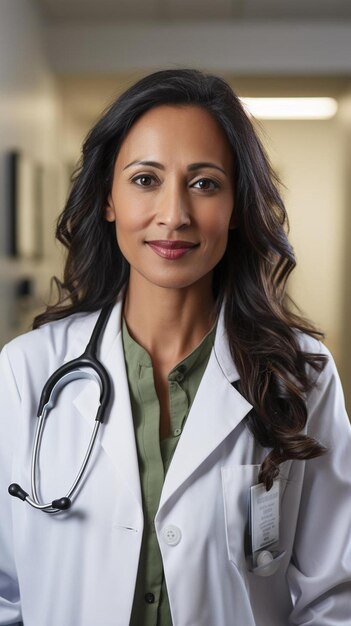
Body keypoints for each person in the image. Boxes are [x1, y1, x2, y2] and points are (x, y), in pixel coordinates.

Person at [0, 69, 350, 626]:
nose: (175, 214)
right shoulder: (28, 370)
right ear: (107, 198)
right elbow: (6, 594)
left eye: (205, 183)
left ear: (236, 206)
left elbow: (334, 598)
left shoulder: (300, 374)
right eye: (145, 180)